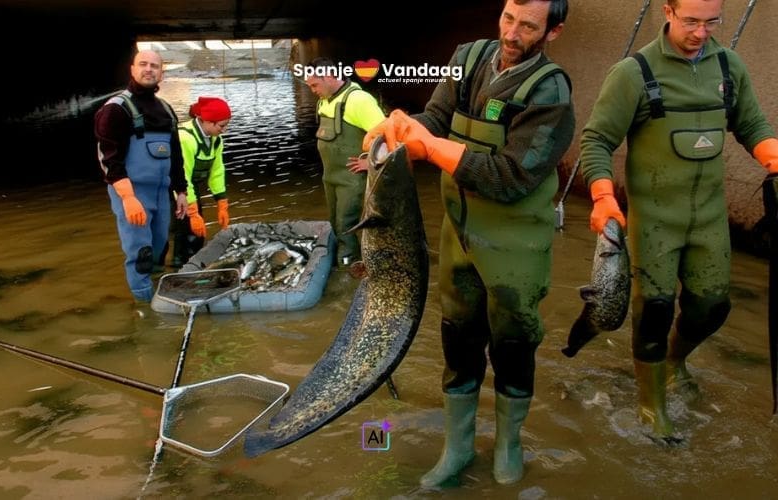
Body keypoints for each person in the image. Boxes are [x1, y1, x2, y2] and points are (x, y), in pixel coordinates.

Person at [364, 0, 573, 486]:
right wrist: (401, 129)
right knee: (458, 339)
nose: (512, 33)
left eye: (528, 26)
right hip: (458, 232)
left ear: (553, 32)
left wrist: (429, 147)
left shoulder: (551, 90)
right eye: (507, 18)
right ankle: (457, 448)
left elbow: (512, 176)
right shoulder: (468, 56)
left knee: (514, 342)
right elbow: (436, 116)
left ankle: (508, 446)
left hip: (516, 243)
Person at [580, 0, 778, 441]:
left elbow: (751, 124)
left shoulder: (729, 68)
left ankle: (674, 362)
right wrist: (602, 197)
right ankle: (652, 406)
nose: (701, 33)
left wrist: (772, 154)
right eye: (691, 21)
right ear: (667, 11)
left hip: (708, 219)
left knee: (712, 306)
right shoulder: (633, 74)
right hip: (655, 222)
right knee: (653, 310)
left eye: (712, 22)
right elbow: (596, 140)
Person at [95, 49, 188, 303]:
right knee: (141, 252)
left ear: (161, 73)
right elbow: (109, 159)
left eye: (155, 66)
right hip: (131, 192)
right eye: (143, 64)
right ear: (132, 70)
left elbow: (176, 155)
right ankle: (144, 307)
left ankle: (158, 294)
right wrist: (127, 198)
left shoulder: (166, 110)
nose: (149, 69)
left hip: (161, 193)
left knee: (160, 248)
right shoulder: (115, 109)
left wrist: (181, 191)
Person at [305, 57, 386, 271]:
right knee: (334, 222)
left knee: (345, 224)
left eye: (315, 85)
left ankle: (349, 271)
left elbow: (387, 136)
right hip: (330, 177)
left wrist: (370, 162)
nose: (313, 90)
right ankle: (344, 263)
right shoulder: (324, 100)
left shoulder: (359, 100)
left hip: (352, 180)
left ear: (330, 76)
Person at [171, 96, 232, 267]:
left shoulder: (216, 140)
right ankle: (180, 265)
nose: (224, 130)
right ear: (207, 122)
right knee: (185, 228)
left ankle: (193, 261)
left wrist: (222, 203)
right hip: (174, 186)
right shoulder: (185, 138)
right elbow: (182, 176)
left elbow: (217, 171)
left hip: (190, 186)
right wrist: (192, 212)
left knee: (197, 234)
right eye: (221, 126)